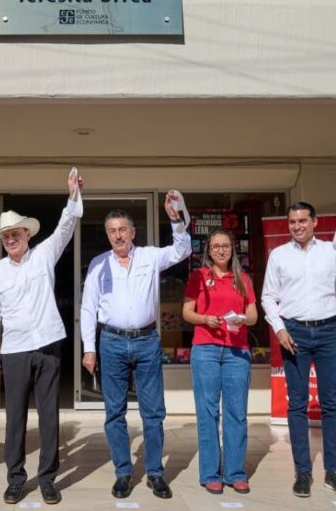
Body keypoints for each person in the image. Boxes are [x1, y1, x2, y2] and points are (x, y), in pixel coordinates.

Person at [80, 196, 190, 500]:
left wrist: (176, 219)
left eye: (122, 229)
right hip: (111, 342)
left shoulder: (150, 256)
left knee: (153, 412)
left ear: (132, 232)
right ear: (107, 235)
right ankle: (123, 472)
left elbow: (182, 250)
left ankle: (154, 472)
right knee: (114, 412)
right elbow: (88, 308)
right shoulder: (98, 264)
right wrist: (89, 348)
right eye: (112, 231)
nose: (118, 235)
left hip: (146, 341)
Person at [261, 201, 336, 500]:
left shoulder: (332, 251)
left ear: (314, 222)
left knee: (331, 403)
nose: (297, 226)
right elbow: (268, 296)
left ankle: (334, 472)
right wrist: (279, 328)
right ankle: (303, 472)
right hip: (293, 332)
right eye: (292, 222)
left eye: (302, 221)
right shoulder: (279, 255)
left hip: (328, 332)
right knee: (297, 404)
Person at [0, 169, 83, 505]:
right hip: (13, 350)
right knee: (15, 418)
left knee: (49, 415)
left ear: (27, 233)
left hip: (47, 343)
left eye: (16, 233)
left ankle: (48, 479)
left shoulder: (44, 254)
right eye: (6, 236)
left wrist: (72, 195)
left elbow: (66, 227)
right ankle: (15, 479)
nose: (11, 239)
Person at [182, 229, 257, 495]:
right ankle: (211, 473)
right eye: (216, 246)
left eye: (225, 245)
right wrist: (205, 319)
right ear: (209, 250)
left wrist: (241, 318)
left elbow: (253, 315)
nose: (221, 250)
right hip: (206, 349)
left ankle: (235, 473)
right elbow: (187, 312)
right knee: (208, 412)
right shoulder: (198, 277)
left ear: (232, 249)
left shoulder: (243, 278)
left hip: (237, 352)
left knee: (236, 412)